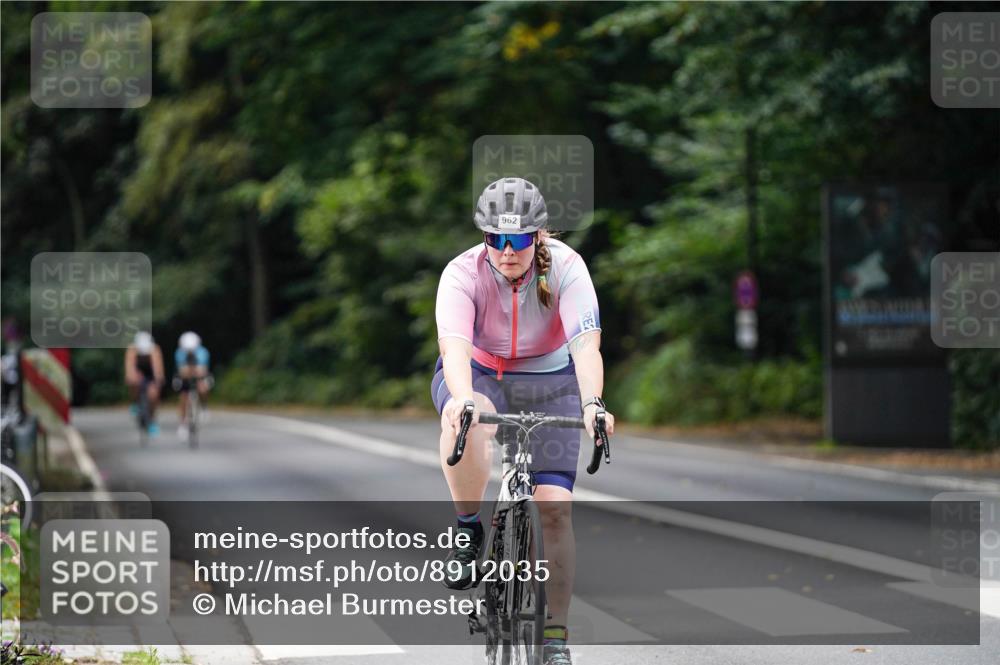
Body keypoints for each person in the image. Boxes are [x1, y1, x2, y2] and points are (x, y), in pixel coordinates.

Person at [431, 177, 615, 665]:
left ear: (539, 235)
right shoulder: (461, 273)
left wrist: (593, 402)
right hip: (479, 371)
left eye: (518, 239)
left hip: (550, 380)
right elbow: (454, 347)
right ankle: (468, 527)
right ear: (484, 238)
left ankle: (555, 637)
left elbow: (585, 345)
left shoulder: (569, 269)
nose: (507, 250)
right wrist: (463, 399)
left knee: (555, 508)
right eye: (495, 239)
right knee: (468, 423)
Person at [124, 331, 165, 436]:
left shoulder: (155, 350)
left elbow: (157, 369)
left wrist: (158, 380)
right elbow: (130, 367)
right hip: (138, 373)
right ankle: (135, 403)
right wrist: (132, 376)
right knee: (132, 382)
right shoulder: (132, 350)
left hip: (150, 374)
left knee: (153, 394)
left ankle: (151, 419)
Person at [173, 331, 211, 441]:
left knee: (203, 387)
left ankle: (204, 407)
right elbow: (181, 372)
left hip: (199, 376)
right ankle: (182, 424)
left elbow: (203, 370)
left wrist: (191, 371)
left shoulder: (203, 352)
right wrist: (191, 371)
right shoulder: (179, 352)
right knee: (183, 397)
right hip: (185, 377)